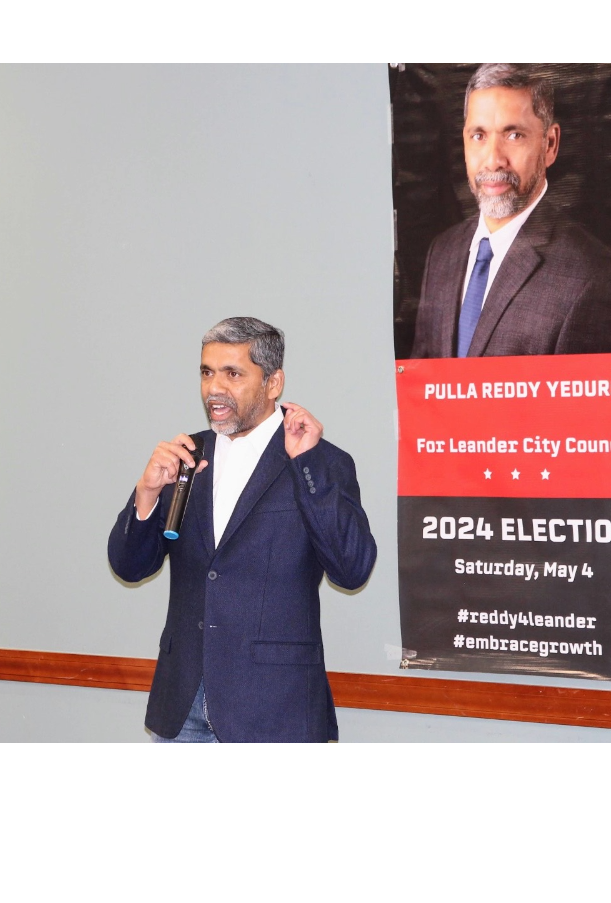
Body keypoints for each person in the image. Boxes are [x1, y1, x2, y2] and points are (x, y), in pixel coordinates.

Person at [106, 317, 376, 743]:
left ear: (273, 383)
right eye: (207, 372)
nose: (214, 388)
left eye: (233, 374)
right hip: (182, 705)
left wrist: (307, 465)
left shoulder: (320, 462)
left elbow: (352, 569)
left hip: (275, 709)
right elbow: (129, 566)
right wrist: (147, 492)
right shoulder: (186, 457)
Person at [410, 63, 611, 359]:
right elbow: (422, 383)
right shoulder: (442, 252)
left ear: (550, 144)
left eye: (514, 135)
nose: (493, 160)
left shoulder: (591, 275)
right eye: (479, 136)